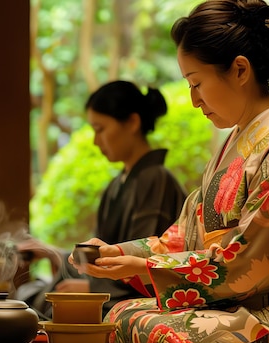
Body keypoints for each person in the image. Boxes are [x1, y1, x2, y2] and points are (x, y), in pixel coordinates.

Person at [69, 0, 269, 343]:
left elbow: (260, 262)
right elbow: (183, 237)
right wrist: (117, 254)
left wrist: (147, 266)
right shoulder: (236, 145)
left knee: (155, 330)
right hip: (233, 301)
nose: (194, 100)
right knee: (118, 316)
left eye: (196, 83)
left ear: (240, 70)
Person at [16, 80, 187, 318]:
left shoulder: (155, 179)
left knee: (38, 303)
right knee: (31, 294)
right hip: (109, 286)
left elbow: (145, 257)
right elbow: (101, 254)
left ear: (132, 123)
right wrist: (51, 252)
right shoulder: (118, 184)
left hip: (130, 297)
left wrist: (93, 289)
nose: (96, 142)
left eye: (100, 129)